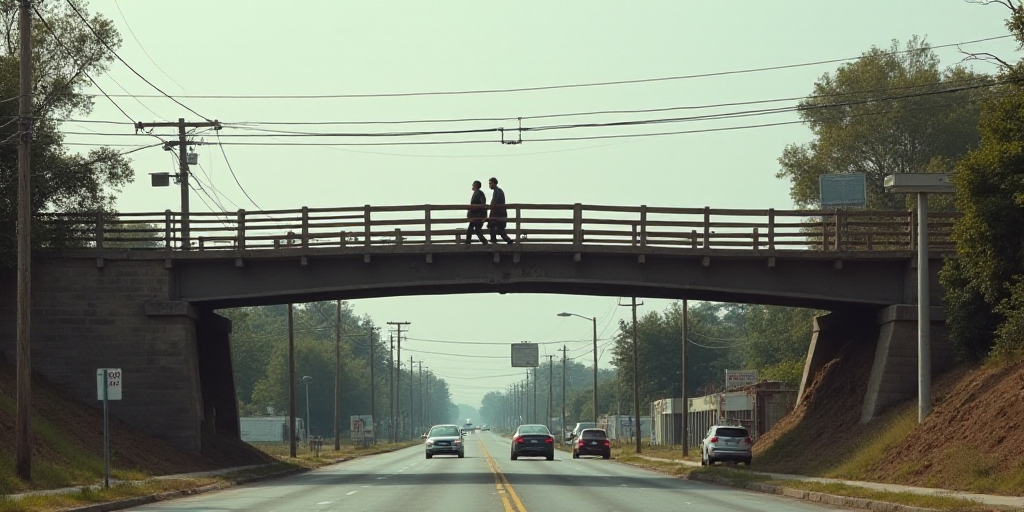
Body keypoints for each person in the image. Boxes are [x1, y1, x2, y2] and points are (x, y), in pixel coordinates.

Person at [487, 177, 513, 244]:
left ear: (494, 183)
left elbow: (495, 202)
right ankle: (507, 240)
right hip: (500, 213)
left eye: (490, 183)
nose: (489, 185)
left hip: (498, 213)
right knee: (499, 228)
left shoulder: (497, 191)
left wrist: (492, 209)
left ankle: (494, 240)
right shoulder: (498, 191)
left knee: (493, 226)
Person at [466, 180, 488, 244]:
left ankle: (484, 241)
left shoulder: (478, 193)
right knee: (472, 229)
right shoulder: (477, 193)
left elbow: (479, 204)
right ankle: (468, 242)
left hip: (477, 215)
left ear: (476, 185)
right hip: (476, 215)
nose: (472, 186)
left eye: (473, 184)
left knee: (476, 230)